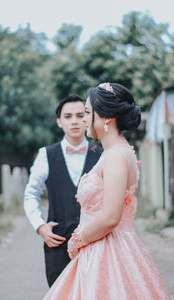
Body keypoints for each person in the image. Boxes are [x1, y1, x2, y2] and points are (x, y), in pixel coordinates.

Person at [43, 83, 171, 299]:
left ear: (106, 118)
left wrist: (77, 240)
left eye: (87, 112)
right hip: (100, 248)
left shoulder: (117, 157)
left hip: (107, 250)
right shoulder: (113, 153)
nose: (83, 120)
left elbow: (111, 217)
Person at [23, 94, 102, 287]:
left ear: (87, 118)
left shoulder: (103, 154)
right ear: (59, 122)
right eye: (68, 116)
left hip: (94, 240)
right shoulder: (46, 155)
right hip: (57, 242)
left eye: (79, 115)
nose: (74, 121)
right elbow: (31, 194)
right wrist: (40, 226)